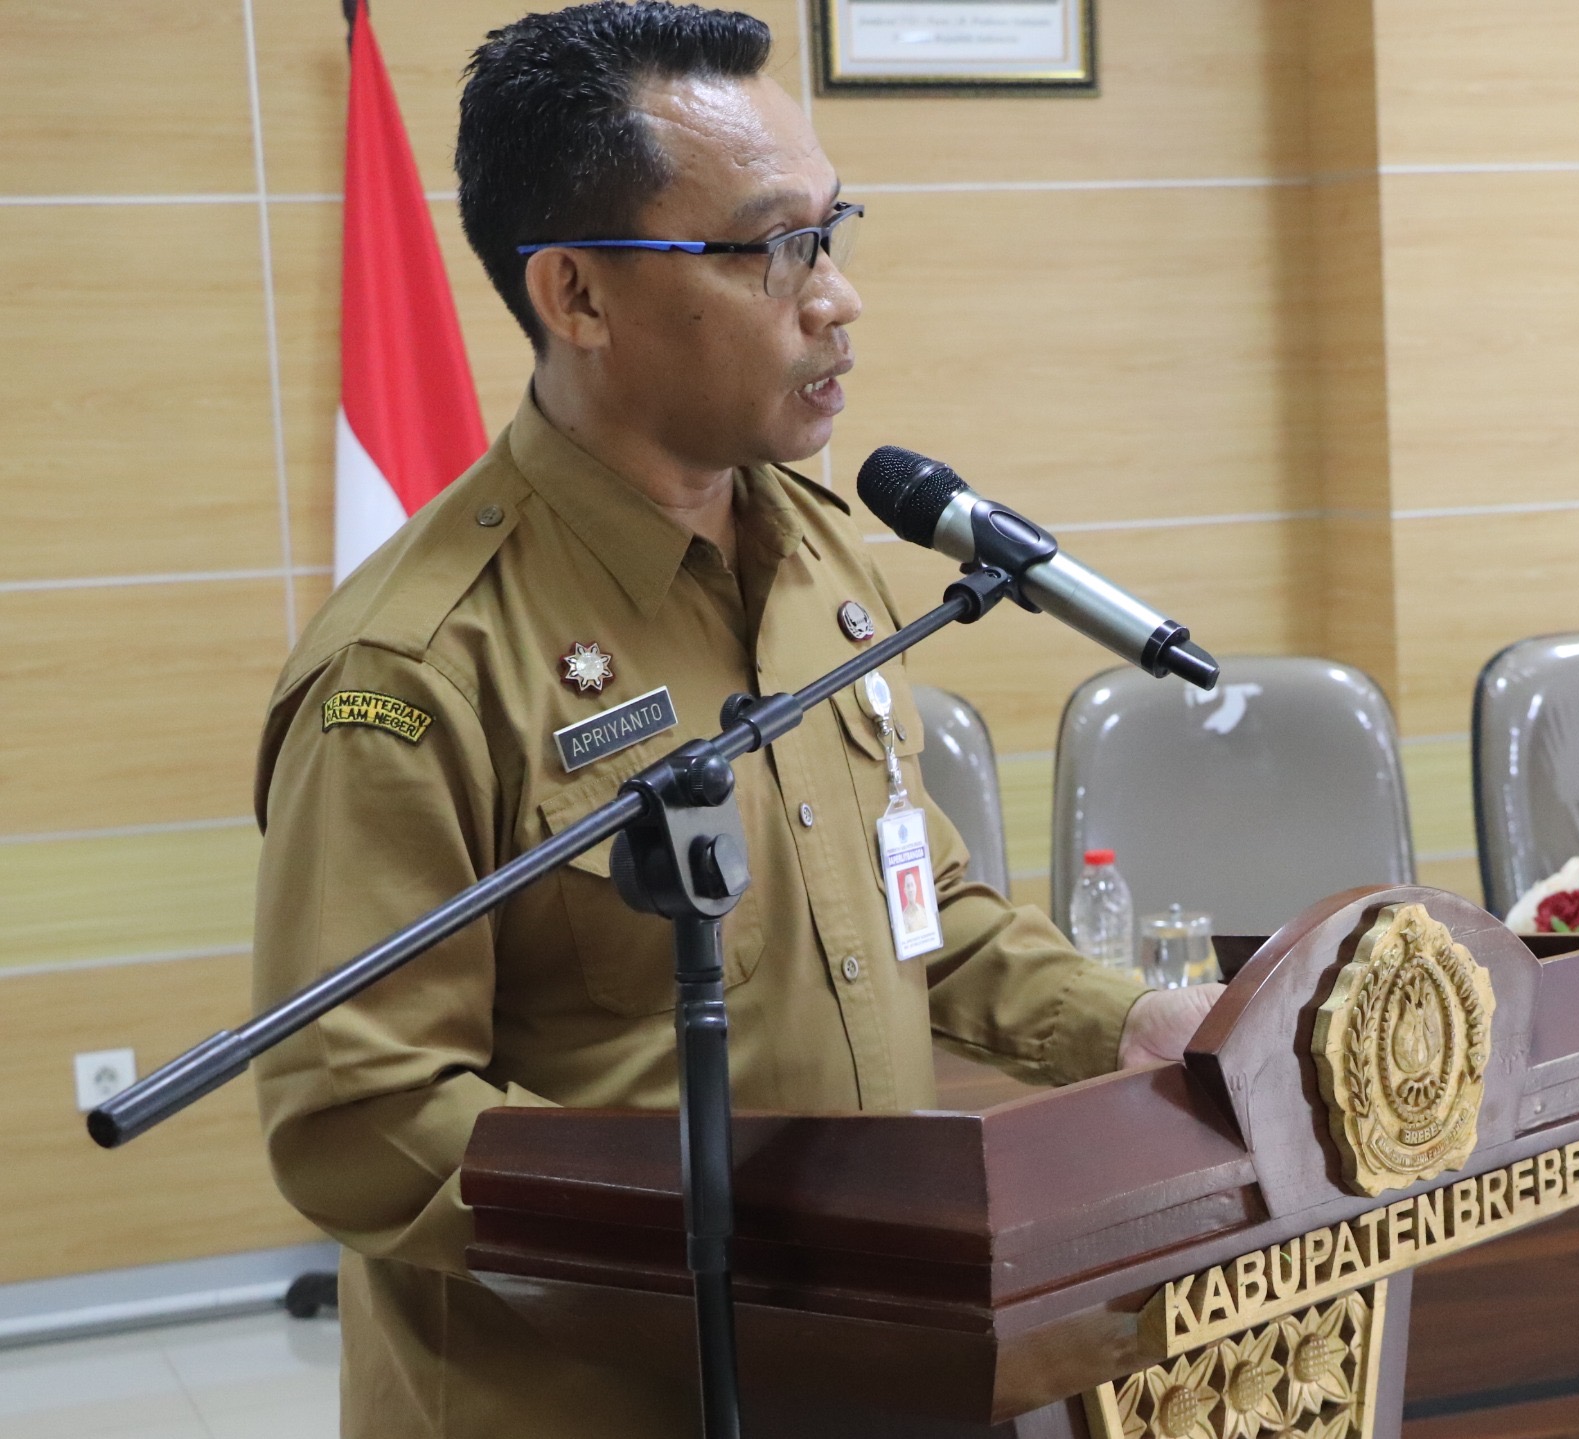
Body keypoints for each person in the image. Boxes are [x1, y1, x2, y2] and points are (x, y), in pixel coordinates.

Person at [248, 7, 1215, 1436]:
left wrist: (1136, 1022)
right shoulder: (420, 664)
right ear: (576, 295)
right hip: (594, 1397)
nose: (834, 297)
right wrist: (771, 1288)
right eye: (770, 246)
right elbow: (361, 1118)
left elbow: (917, 904)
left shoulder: (820, 553)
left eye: (834, 230)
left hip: (866, 1369)